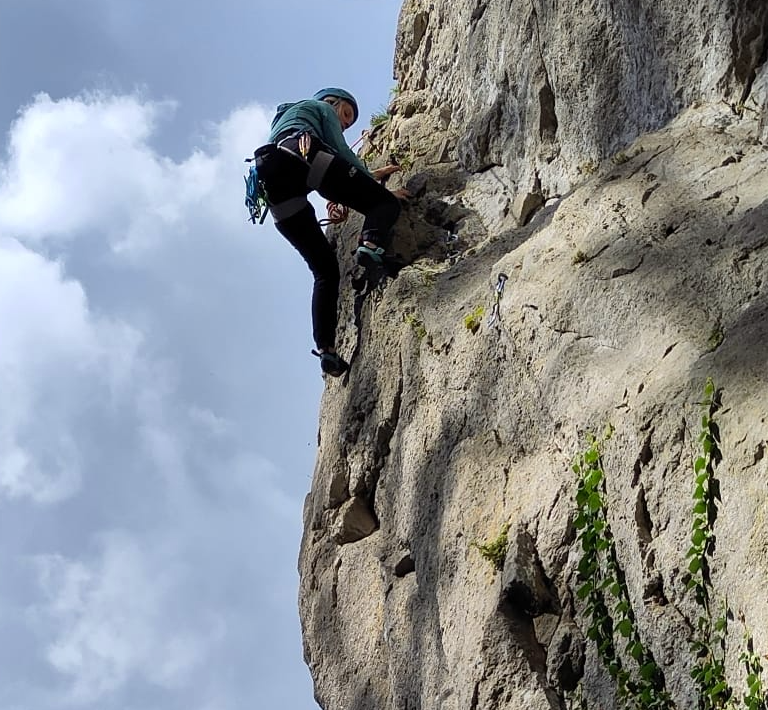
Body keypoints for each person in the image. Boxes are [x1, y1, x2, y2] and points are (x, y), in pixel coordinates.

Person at [252, 88, 406, 377]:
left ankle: (327, 350)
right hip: (304, 154)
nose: (345, 123)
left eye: (348, 123)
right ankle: (371, 244)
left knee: (325, 272)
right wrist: (371, 177)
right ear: (332, 102)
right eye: (345, 114)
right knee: (383, 202)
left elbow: (318, 175)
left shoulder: (282, 121)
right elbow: (339, 149)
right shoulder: (318, 107)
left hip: (275, 186)